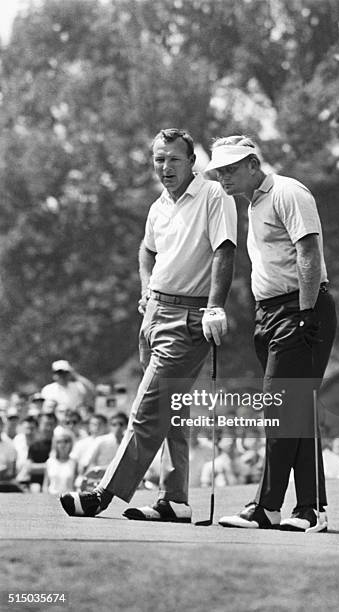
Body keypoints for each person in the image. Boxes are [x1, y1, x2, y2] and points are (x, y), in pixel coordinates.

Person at [60, 127, 237, 521]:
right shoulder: (159, 206)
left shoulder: (213, 195)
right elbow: (147, 249)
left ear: (192, 162)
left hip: (190, 318)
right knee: (171, 411)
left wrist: (214, 307)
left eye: (174, 159)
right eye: (160, 159)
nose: (166, 166)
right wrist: (146, 288)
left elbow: (225, 251)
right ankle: (174, 500)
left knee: (147, 408)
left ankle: (104, 493)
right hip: (155, 314)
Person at [207, 136, 337, 532]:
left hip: (299, 308)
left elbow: (309, 252)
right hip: (271, 315)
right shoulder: (253, 203)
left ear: (251, 164)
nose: (223, 177)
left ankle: (267, 506)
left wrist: (306, 311)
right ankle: (312, 509)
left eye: (230, 169)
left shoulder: (286, 191)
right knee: (296, 410)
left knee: (281, 407)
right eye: (219, 171)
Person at [43, 429, 77, 495]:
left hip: (69, 500)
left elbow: (76, 486)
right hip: (51, 498)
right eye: (59, 442)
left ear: (71, 444)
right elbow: (45, 485)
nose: (62, 444)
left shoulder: (75, 463)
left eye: (66, 441)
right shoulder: (49, 462)